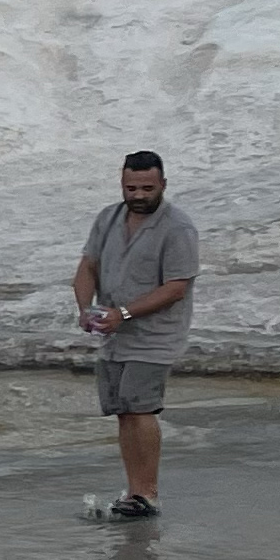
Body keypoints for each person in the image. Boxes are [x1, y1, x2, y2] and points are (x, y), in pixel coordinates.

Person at [72, 150, 199, 520]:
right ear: (122, 184)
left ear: (163, 184)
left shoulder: (178, 227)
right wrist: (85, 309)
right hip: (114, 334)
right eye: (132, 187)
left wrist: (123, 313)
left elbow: (176, 287)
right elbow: (87, 267)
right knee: (123, 409)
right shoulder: (108, 218)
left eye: (147, 187)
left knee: (141, 406)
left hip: (156, 334)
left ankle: (148, 493)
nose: (139, 195)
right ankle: (134, 490)